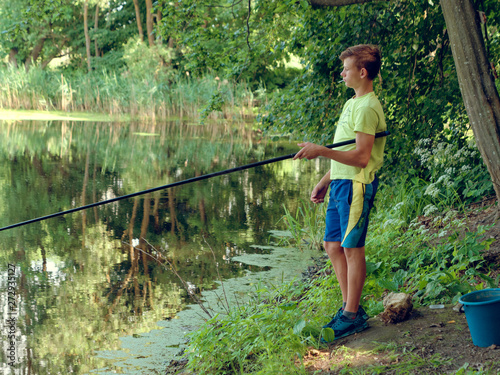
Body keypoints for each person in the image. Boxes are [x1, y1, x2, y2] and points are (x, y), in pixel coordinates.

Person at [293, 44, 386, 341]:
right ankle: (351, 309)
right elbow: (344, 150)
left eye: (346, 69)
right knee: (332, 245)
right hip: (341, 183)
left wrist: (321, 151)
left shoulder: (368, 107)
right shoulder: (352, 104)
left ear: (362, 72)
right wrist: (325, 180)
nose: (342, 74)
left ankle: (350, 316)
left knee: (351, 247)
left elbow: (360, 157)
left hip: (356, 184)